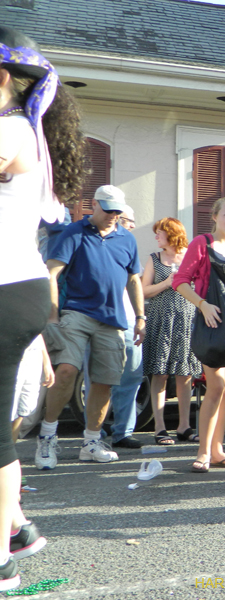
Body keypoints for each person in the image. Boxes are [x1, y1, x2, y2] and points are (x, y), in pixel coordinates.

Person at [0, 26, 86, 588]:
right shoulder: (22, 131)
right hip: (18, 287)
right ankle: (15, 528)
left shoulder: (8, 130)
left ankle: (4, 555)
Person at [38, 184, 144, 470]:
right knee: (67, 370)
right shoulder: (74, 232)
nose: (113, 215)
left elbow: (134, 280)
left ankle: (92, 442)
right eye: (108, 210)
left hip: (113, 318)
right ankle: (47, 436)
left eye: (117, 211)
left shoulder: (126, 239)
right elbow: (52, 272)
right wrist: (51, 316)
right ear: (94, 206)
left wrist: (140, 317)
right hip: (76, 312)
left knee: (105, 380)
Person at [174, 197, 225, 473]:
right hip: (209, 319)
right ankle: (203, 452)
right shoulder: (202, 243)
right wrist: (202, 304)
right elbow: (180, 281)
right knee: (216, 386)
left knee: (224, 389)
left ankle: (217, 450)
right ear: (215, 216)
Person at [81, 204, 144, 449]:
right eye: (126, 220)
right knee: (98, 378)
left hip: (128, 320)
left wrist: (141, 318)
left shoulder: (129, 245)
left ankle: (123, 432)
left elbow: (135, 281)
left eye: (129, 220)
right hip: (101, 319)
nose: (131, 225)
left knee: (132, 375)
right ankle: (94, 432)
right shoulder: (98, 242)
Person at [142, 217, 201, 445]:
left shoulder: (191, 256)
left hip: (186, 320)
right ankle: (159, 428)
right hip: (161, 320)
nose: (156, 237)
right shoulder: (154, 259)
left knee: (185, 374)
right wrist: (167, 282)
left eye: (159, 233)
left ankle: (184, 427)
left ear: (171, 233)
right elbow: (144, 290)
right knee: (160, 373)